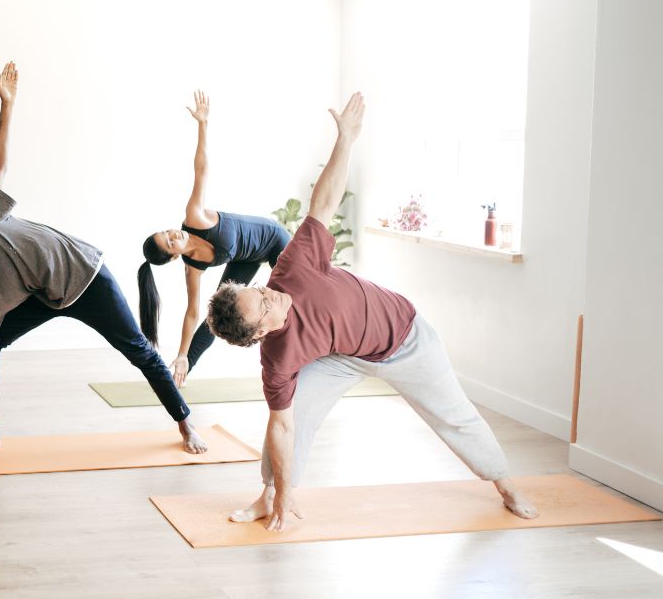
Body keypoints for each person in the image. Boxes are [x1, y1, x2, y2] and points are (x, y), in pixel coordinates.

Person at [205, 93, 538, 531]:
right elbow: (283, 428)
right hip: (344, 357)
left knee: (454, 414)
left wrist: (345, 140)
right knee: (289, 418)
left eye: (260, 291)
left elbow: (322, 205)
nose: (272, 295)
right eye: (263, 305)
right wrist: (286, 490)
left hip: (407, 339)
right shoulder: (278, 360)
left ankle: (506, 485)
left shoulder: (292, 269)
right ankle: (272, 496)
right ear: (259, 334)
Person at [0, 63, 207, 458]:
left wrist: (7, 106)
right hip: (47, 295)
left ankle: (185, 423)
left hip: (86, 276)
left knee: (138, 350)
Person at [136, 90, 290, 385]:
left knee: (290, 295)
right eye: (170, 242)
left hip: (274, 238)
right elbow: (193, 312)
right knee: (217, 313)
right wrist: (182, 352)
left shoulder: (195, 217)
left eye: (166, 232)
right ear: (174, 256)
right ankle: (181, 372)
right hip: (248, 258)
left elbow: (201, 170)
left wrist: (202, 124)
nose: (173, 234)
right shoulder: (193, 267)